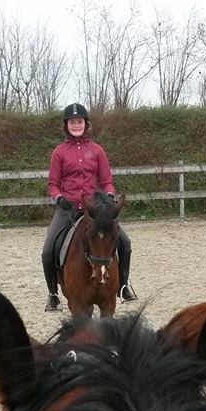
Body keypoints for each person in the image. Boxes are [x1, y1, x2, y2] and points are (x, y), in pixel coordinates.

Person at [42, 103, 138, 312]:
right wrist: (59, 198)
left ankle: (123, 286)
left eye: (79, 121)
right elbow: (53, 184)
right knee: (48, 249)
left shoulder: (96, 151)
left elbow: (107, 180)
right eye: (72, 122)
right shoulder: (59, 152)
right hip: (68, 209)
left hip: (95, 211)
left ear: (86, 124)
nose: (76, 125)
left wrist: (109, 197)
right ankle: (52, 294)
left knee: (125, 243)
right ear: (66, 126)